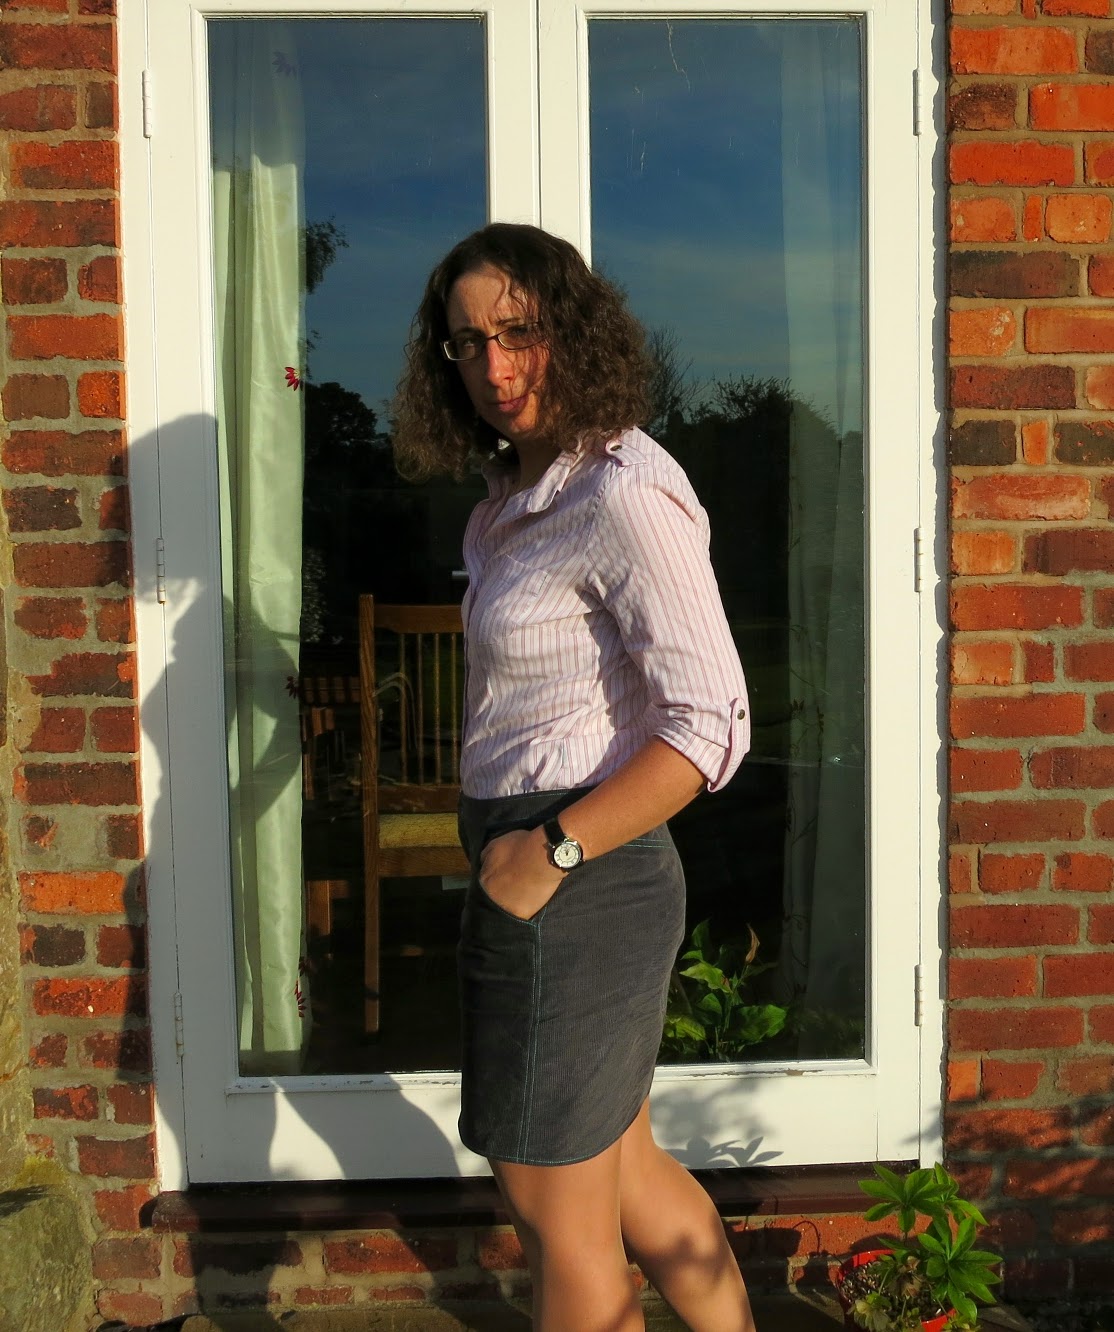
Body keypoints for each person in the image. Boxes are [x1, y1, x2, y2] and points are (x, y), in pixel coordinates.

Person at [394, 223, 756, 1332]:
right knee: (625, 1171)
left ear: (573, 331)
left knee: (562, 1220)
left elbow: (711, 723)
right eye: (467, 343)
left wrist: (550, 852)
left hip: (577, 875)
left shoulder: (620, 491)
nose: (493, 367)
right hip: (546, 867)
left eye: (518, 333)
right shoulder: (514, 497)